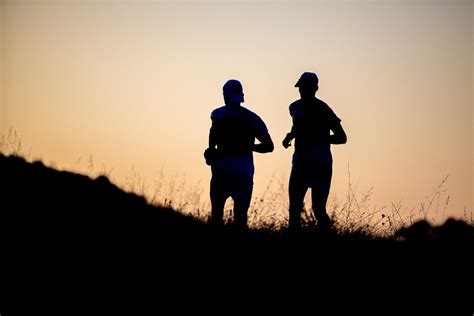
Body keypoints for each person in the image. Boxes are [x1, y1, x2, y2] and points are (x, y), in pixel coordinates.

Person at [204, 79, 274, 230]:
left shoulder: (217, 115)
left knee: (216, 215)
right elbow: (269, 146)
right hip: (243, 168)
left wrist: (211, 152)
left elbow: (212, 137)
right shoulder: (253, 118)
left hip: (222, 167)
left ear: (225, 95)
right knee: (240, 218)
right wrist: (249, 146)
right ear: (241, 95)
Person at [282, 72, 347, 232]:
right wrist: (290, 136)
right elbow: (297, 126)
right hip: (308, 161)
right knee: (297, 207)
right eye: (301, 87)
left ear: (315, 88)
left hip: (316, 162)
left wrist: (319, 138)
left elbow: (342, 137)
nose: (302, 90)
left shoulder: (323, 109)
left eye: (305, 87)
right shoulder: (294, 107)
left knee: (315, 208)